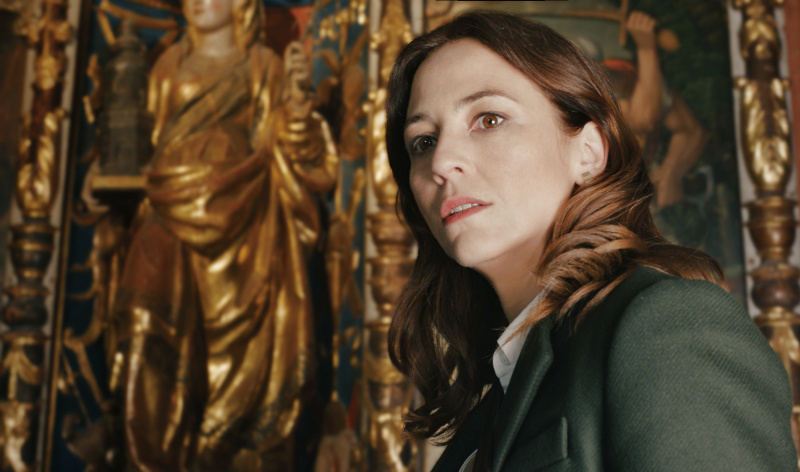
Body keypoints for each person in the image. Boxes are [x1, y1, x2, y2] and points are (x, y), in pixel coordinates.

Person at [384, 11, 795, 471]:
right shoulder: (498, 395)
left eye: (489, 119)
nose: (441, 161)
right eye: (422, 142)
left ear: (588, 152)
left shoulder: (667, 325)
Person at [108, 0, 337, 470]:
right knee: (144, 321)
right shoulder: (166, 66)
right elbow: (149, 141)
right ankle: (148, 456)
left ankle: (227, 449)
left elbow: (286, 144)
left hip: (243, 216)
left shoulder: (264, 66)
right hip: (169, 208)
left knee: (245, 347)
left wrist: (296, 102)